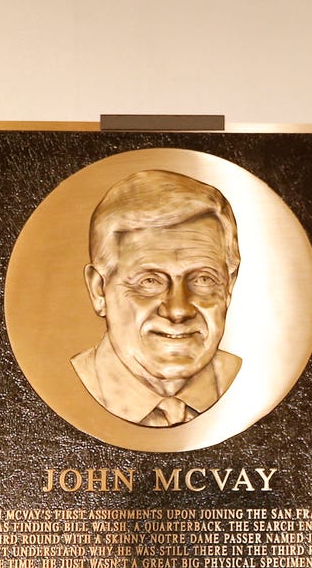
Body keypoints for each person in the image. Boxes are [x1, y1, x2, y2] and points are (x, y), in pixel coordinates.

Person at [72, 169, 242, 428]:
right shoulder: (70, 385)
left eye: (203, 279)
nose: (178, 310)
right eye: (149, 281)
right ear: (99, 290)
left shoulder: (251, 383)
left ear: (229, 286)